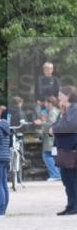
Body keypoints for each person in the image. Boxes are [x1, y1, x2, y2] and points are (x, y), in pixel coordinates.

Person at [50, 86, 77, 215]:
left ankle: (75, 206)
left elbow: (70, 125)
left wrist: (54, 129)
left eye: (60, 94)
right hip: (64, 147)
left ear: (68, 95)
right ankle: (70, 205)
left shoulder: (75, 108)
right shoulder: (66, 109)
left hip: (72, 148)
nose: (58, 96)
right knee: (66, 179)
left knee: (73, 178)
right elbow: (59, 124)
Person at [34, 96, 62, 182]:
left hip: (50, 138)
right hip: (52, 137)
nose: (45, 104)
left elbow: (52, 124)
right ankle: (56, 174)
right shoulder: (54, 111)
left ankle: (55, 174)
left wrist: (41, 123)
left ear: (50, 103)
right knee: (52, 155)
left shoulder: (52, 112)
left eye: (46, 102)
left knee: (47, 155)